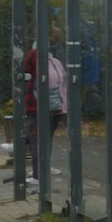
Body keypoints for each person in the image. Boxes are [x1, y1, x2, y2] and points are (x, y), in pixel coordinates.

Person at [22, 27, 67, 187]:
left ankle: (37, 174)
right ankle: (43, 168)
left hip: (37, 107)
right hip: (56, 108)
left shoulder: (37, 58)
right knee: (46, 138)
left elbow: (25, 72)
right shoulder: (56, 63)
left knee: (36, 139)